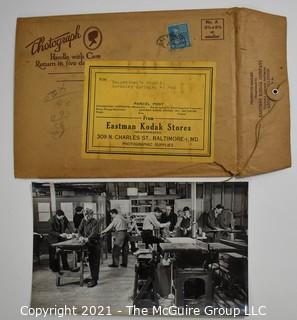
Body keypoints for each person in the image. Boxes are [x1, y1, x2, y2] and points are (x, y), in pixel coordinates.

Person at [78, 208, 101, 288]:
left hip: (95, 243)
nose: (88, 217)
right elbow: (79, 230)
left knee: (94, 262)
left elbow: (94, 233)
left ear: (92, 215)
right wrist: (80, 237)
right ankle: (93, 277)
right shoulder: (83, 220)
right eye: (86, 215)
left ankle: (95, 280)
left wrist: (87, 239)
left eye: (90, 215)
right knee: (90, 261)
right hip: (87, 243)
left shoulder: (95, 222)